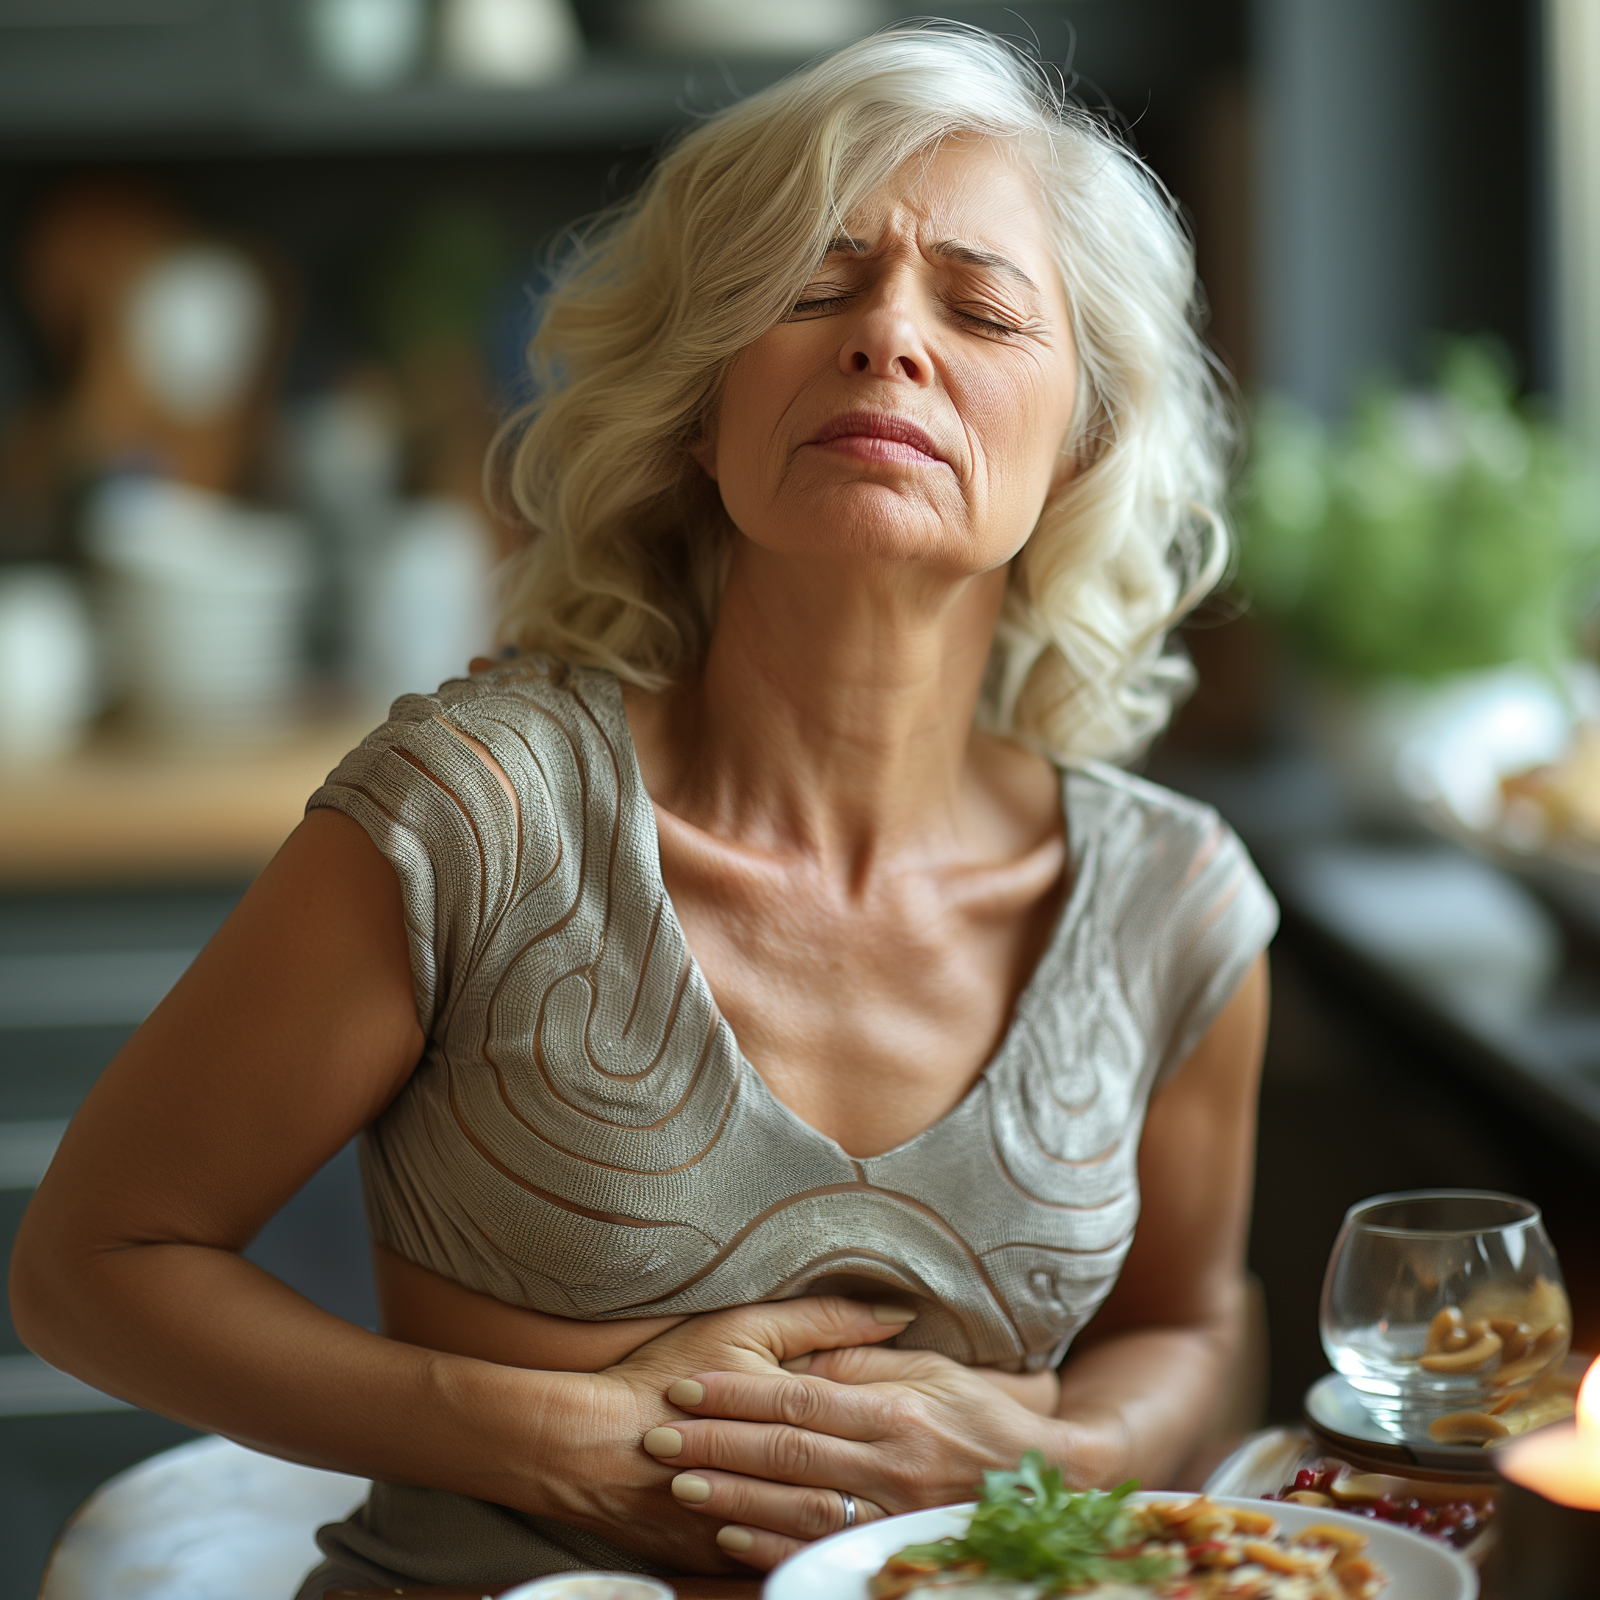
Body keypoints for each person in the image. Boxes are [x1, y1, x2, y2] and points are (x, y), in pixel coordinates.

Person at [10, 23, 1276, 1595]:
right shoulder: (477, 819)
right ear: (698, 405)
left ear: (1081, 442)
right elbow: (90, 1268)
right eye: (811, 288)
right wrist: (554, 1439)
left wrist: (1062, 1459)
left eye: (981, 307)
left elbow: (1194, 1326)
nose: (889, 335)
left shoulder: (1172, 903)